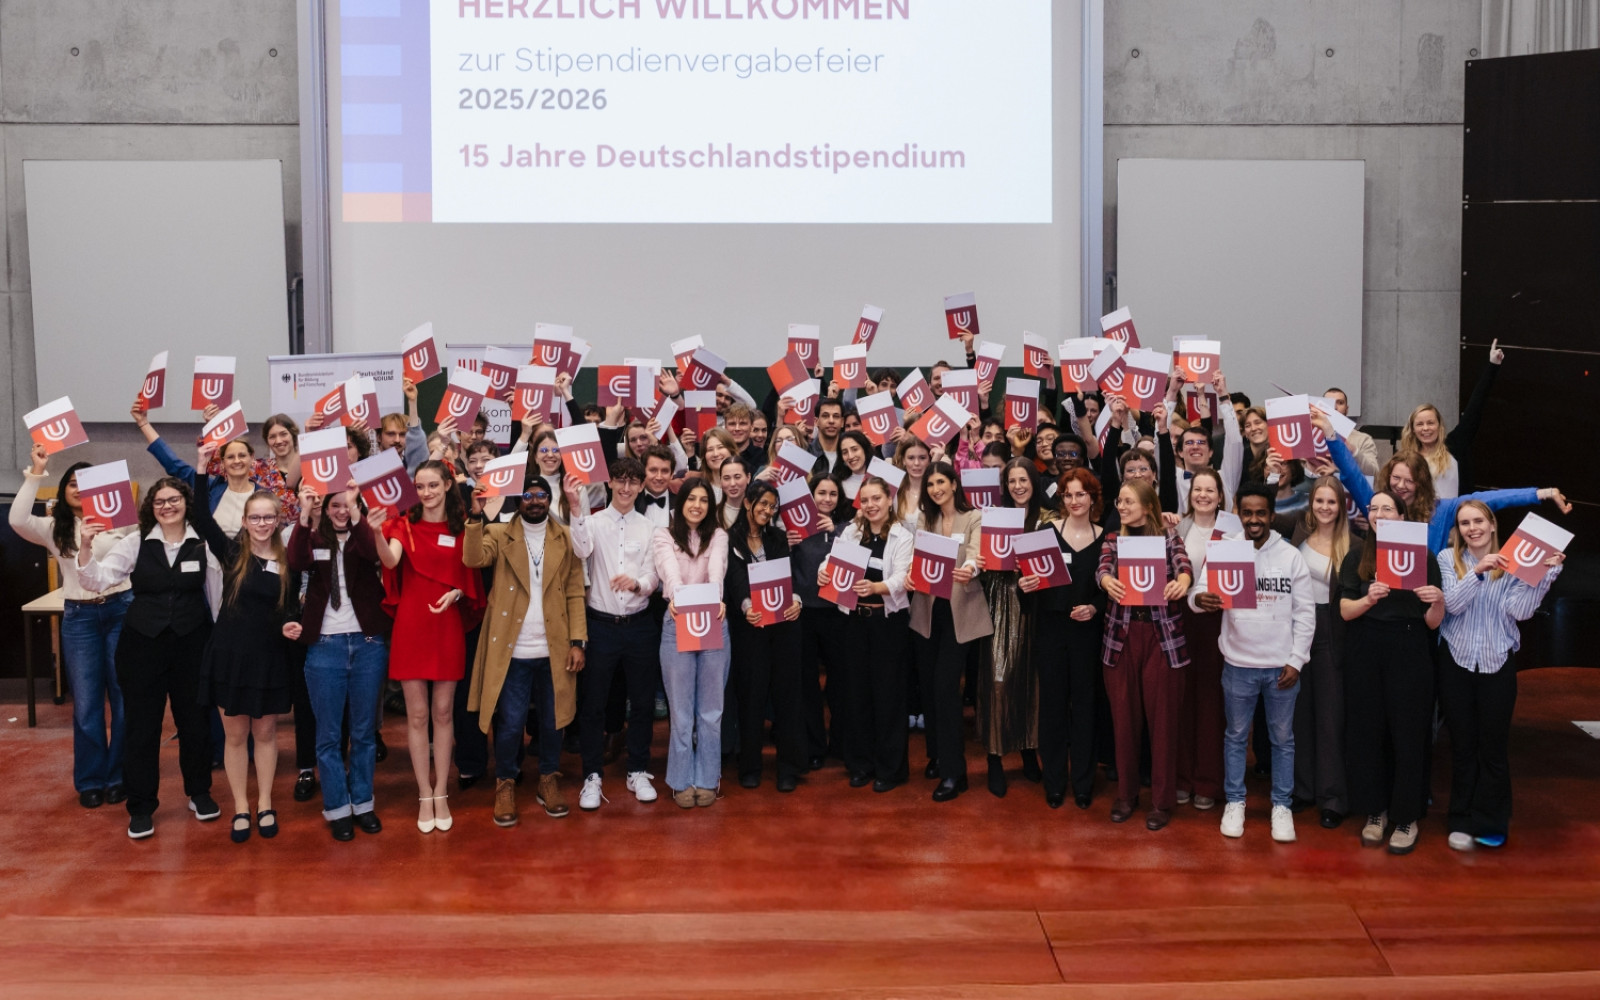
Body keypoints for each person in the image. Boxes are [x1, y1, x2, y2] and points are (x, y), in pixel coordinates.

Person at [76, 477, 221, 840]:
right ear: (150, 507)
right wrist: (85, 545)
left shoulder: (203, 543)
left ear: (187, 503)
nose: (166, 506)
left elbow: (216, 593)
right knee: (142, 727)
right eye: (159, 501)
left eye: (173, 499)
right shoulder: (137, 541)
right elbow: (97, 580)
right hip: (142, 646)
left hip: (192, 644)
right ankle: (141, 807)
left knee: (195, 722)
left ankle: (199, 792)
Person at [12, 444, 134, 809]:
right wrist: (36, 472)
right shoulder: (55, 527)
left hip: (120, 611)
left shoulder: (122, 520)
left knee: (125, 699)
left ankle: (119, 776)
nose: (80, 488)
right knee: (86, 705)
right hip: (80, 617)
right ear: (63, 492)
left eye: (87, 482)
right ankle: (91, 780)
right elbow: (18, 520)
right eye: (72, 484)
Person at [463, 471, 588, 826]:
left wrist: (578, 641)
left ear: (550, 500)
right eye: (529, 496)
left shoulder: (565, 537)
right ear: (519, 501)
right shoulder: (500, 534)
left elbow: (577, 590)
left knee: (553, 721)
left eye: (541, 495)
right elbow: (473, 559)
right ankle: (505, 783)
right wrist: (475, 516)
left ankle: (548, 779)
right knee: (511, 724)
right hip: (512, 650)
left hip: (555, 648)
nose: (535, 501)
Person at [1437, 501, 1563, 851]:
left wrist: (1545, 576)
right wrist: (1477, 573)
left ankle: (1490, 821)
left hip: (1497, 663)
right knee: (1463, 746)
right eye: (1464, 523)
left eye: (1478, 521)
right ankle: (1460, 819)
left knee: (1492, 748)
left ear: (1492, 525)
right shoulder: (1449, 560)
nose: (1471, 528)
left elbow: (1518, 611)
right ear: (1458, 530)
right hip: (1457, 662)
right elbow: (1452, 605)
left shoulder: (1517, 561)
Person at [1193, 484, 1315, 843]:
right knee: (1234, 737)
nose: (1254, 519)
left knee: (1282, 739)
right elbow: (1195, 596)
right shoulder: (1225, 550)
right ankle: (1235, 801)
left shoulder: (1291, 556)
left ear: (1272, 515)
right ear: (1238, 512)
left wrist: (1297, 660)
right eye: (1247, 513)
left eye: (1261, 513)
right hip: (1238, 664)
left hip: (1281, 667)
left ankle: (1281, 805)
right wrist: (1202, 599)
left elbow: (1305, 614)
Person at [372, 460, 486, 834]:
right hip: (412, 624)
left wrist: (457, 591)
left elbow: (471, 569)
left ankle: (442, 791)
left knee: (443, 713)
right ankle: (424, 793)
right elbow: (390, 559)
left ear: (448, 484)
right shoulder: (403, 524)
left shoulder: (462, 524)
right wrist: (375, 533)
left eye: (433, 485)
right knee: (417, 715)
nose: (426, 492)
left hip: (447, 623)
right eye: (420, 486)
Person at [190, 458, 300, 844]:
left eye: (269, 517)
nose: (262, 524)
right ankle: (241, 806)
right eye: (255, 518)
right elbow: (200, 516)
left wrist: (293, 623)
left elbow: (291, 609)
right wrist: (202, 469)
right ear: (245, 521)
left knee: (267, 734)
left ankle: (266, 802)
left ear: (277, 520)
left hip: (269, 658)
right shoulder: (232, 553)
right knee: (235, 737)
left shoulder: (289, 562)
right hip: (230, 656)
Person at [1338, 490, 1445, 855]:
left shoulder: (1425, 557)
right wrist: (1368, 599)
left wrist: (1439, 602)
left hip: (1410, 649)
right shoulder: (1357, 556)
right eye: (1373, 508)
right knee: (1369, 732)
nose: (1379, 513)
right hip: (1365, 648)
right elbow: (1344, 611)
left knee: (1409, 735)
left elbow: (1433, 624)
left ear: (1402, 516)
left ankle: (1407, 816)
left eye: (1387, 508)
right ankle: (1375, 811)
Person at [287, 482, 390, 841]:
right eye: (335, 506)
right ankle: (337, 807)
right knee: (328, 735)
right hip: (325, 645)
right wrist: (304, 514)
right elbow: (295, 561)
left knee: (363, 733)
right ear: (325, 509)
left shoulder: (363, 536)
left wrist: (360, 511)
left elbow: (373, 554)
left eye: (348, 505)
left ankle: (362, 802)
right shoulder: (313, 538)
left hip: (367, 644)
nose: (342, 511)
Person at [1096, 479, 1193, 830]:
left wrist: (1182, 582)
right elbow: (1102, 569)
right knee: (1124, 722)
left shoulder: (1168, 539)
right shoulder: (1112, 540)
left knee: (1163, 723)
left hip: (1161, 639)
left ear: (1148, 505)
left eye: (1128, 501)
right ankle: (1126, 794)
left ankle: (1163, 801)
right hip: (1120, 639)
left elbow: (1185, 567)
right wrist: (1107, 583)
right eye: (1119, 501)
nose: (1121, 507)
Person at [566, 456, 662, 810]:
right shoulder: (592, 522)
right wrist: (576, 507)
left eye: (632, 482)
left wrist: (637, 584)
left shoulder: (650, 528)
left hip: (639, 627)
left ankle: (637, 769)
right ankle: (592, 776)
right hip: (601, 626)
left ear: (640, 486)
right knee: (593, 705)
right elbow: (579, 549)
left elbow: (654, 576)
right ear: (609, 483)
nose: (625, 488)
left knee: (641, 703)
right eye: (619, 480)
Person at [821, 476, 914, 792]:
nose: (871, 505)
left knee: (888, 696)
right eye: (866, 500)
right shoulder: (852, 531)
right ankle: (861, 764)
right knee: (856, 695)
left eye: (878, 498)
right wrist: (824, 568)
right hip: (854, 623)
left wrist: (878, 587)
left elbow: (904, 575)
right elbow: (832, 559)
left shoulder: (902, 536)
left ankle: (891, 769)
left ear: (890, 500)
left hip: (887, 623)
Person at [911, 462, 992, 802]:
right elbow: (913, 556)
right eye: (930, 484)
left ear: (954, 484)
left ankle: (954, 774)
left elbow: (976, 554)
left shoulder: (973, 517)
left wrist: (970, 567)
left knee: (946, 688)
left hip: (960, 612)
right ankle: (938, 755)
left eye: (941, 481)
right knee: (930, 689)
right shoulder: (923, 519)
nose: (935, 488)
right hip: (928, 613)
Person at [651, 480, 731, 807]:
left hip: (713, 619)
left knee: (711, 710)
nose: (697, 505)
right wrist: (677, 596)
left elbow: (717, 570)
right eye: (691, 499)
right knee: (681, 710)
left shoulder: (719, 535)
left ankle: (708, 778)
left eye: (703, 500)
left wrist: (716, 598)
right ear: (681, 502)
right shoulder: (664, 535)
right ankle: (681, 778)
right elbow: (668, 571)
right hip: (677, 619)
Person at [724, 481, 806, 791]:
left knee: (787, 696)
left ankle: (788, 767)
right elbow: (734, 579)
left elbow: (789, 578)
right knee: (751, 696)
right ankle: (750, 765)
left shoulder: (779, 537)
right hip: (749, 629)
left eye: (772, 506)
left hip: (783, 626)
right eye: (762, 503)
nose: (767, 510)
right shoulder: (729, 538)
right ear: (748, 503)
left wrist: (796, 601)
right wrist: (746, 606)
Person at [1032, 468, 1106, 809]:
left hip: (1088, 635)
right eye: (1068, 494)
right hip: (1050, 632)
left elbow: (1114, 591)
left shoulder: (1108, 538)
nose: (1074, 501)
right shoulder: (1044, 533)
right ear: (1061, 499)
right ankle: (1055, 782)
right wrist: (1024, 586)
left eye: (1081, 494)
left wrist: (1094, 608)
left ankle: (1083, 783)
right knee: (1052, 708)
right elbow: (1031, 591)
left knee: (1086, 709)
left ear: (1092, 497)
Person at [972, 458, 1045, 797]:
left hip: (1036, 609)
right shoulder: (993, 519)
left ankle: (1030, 749)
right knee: (998, 680)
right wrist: (984, 564)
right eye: (1012, 480)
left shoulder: (1048, 519)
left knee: (1032, 681)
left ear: (1033, 481)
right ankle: (995, 757)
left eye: (1024, 479)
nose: (1018, 486)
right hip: (1000, 603)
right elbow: (980, 564)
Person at [1290, 476, 1354, 828]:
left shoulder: (1354, 543)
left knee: (1330, 718)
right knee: (1300, 715)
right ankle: (1303, 790)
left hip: (1332, 631)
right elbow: (1256, 514)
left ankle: (1333, 797)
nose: (1325, 508)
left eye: (1332, 502)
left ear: (1341, 506)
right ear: (1310, 504)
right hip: (1297, 627)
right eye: (1319, 501)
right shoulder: (1298, 532)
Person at [1172, 468, 1229, 812]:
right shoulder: (1177, 527)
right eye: (1198, 490)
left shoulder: (1233, 530)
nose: (1203, 495)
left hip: (1218, 624)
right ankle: (1181, 778)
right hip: (1179, 621)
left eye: (1210, 490)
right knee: (1180, 701)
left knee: (1210, 703)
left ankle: (1208, 780)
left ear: (1221, 495)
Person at [1399, 341, 1504, 498]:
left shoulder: (1455, 445)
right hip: (1419, 520)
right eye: (1420, 424)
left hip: (1454, 519)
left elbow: (1475, 408)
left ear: (1439, 425)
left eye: (1430, 423)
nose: (1425, 428)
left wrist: (1492, 366)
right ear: (1412, 429)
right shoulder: (1407, 457)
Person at [791, 473, 846, 769]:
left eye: (832, 494)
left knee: (839, 681)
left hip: (836, 614)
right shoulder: (795, 528)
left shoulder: (846, 529)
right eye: (821, 493)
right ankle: (813, 745)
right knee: (807, 683)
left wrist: (837, 531)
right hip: (804, 614)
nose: (826, 499)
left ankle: (839, 741)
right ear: (811, 496)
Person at [1321, 388, 1377, 477]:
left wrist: (1353, 450)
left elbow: (1372, 472)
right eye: (1329, 403)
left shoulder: (1363, 439)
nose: (1335, 407)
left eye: (1340, 403)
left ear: (1346, 409)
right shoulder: (1309, 437)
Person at [717, 456, 752, 530]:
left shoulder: (758, 511)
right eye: (726, 478)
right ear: (720, 480)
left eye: (737, 477)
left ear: (748, 478)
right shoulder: (713, 514)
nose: (732, 484)